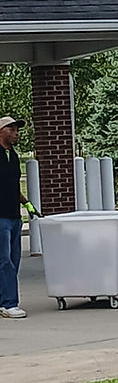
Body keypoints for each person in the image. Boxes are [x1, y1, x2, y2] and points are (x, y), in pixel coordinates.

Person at [0, 116, 39, 319]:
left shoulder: (13, 156)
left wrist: (27, 203)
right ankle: (9, 304)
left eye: (17, 130)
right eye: (12, 129)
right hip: (0, 218)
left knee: (14, 261)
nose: (16, 133)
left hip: (15, 216)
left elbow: (13, 186)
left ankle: (2, 300)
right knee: (4, 260)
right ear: (1, 131)